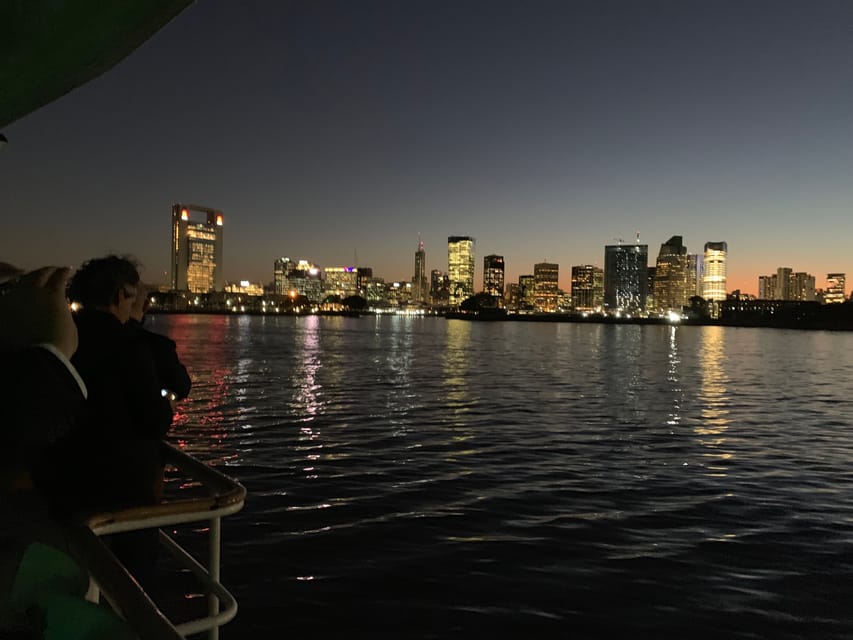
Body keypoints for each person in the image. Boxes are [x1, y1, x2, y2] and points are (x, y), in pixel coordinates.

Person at [62, 256, 174, 587]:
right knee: (133, 580)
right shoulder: (129, 345)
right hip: (123, 484)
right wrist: (166, 404)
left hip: (69, 479)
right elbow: (154, 419)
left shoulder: (66, 336)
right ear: (118, 297)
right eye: (132, 294)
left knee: (78, 572)